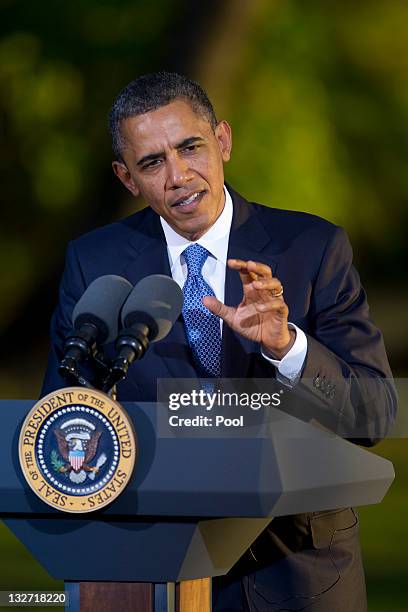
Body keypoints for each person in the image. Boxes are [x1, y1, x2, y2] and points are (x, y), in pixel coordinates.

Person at [42, 72, 397, 611]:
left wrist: (287, 347)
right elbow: (62, 424)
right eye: (152, 163)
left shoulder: (311, 248)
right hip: (150, 571)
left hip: (299, 573)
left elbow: (376, 416)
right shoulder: (96, 265)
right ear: (126, 178)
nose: (179, 176)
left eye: (190, 148)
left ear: (223, 140)